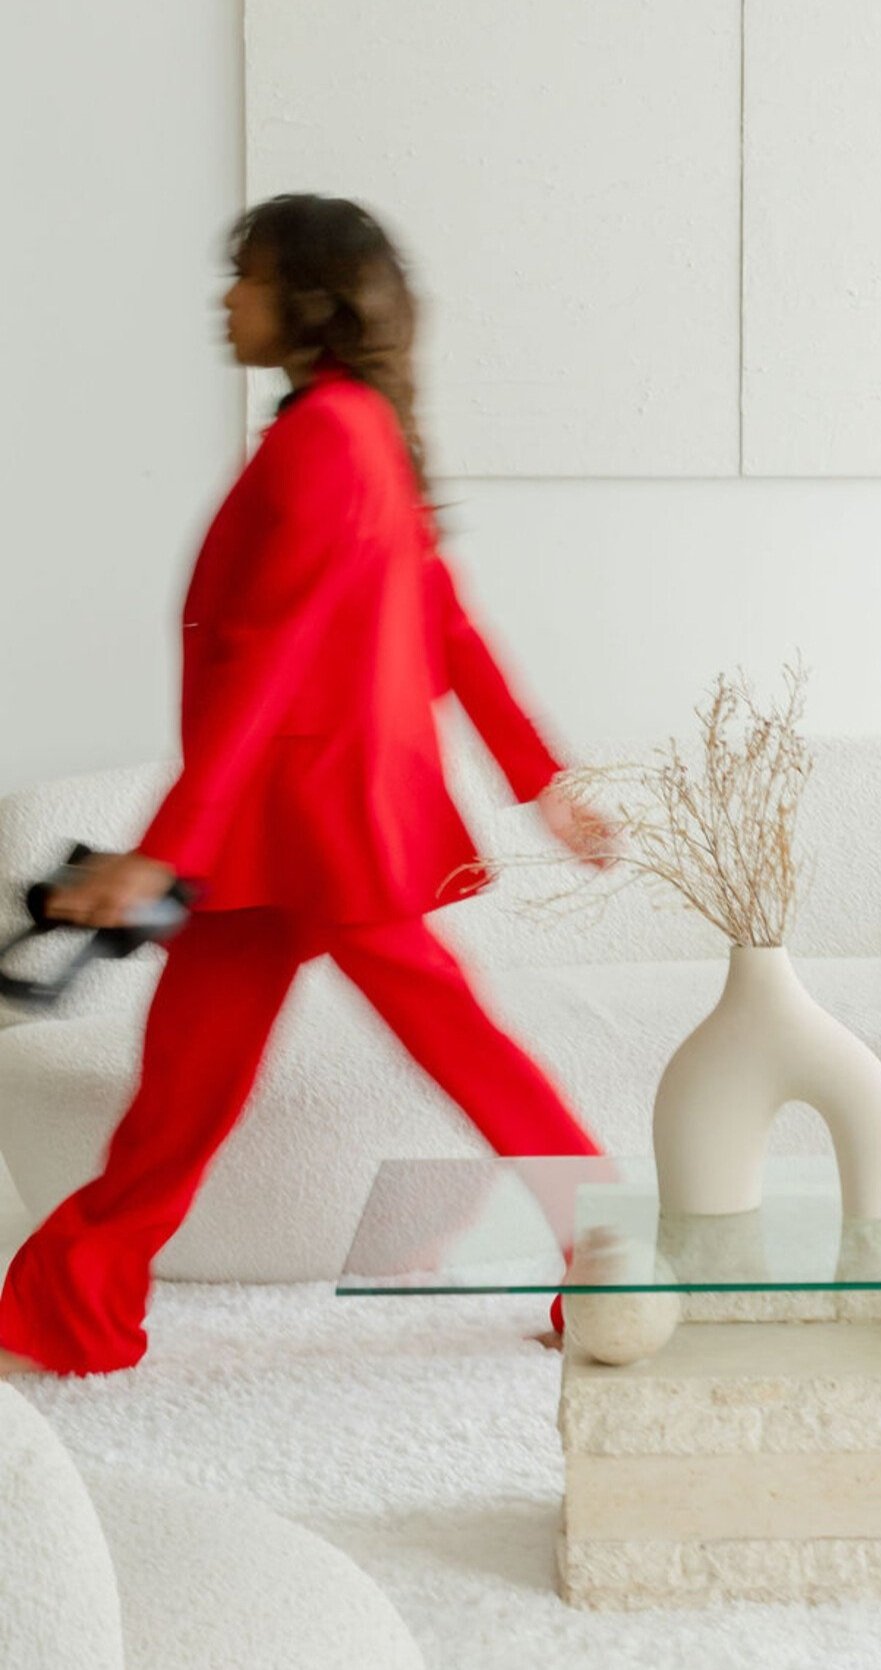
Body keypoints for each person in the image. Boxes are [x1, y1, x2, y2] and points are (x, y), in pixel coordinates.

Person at [0, 193, 614, 1378]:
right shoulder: (357, 429)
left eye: (246, 275)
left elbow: (270, 664)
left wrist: (161, 851)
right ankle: (71, 1306)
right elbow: (446, 622)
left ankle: (622, 1255)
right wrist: (539, 780)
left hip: (320, 827)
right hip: (279, 831)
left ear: (307, 300)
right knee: (185, 1089)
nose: (225, 297)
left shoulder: (326, 437)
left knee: (457, 1048)